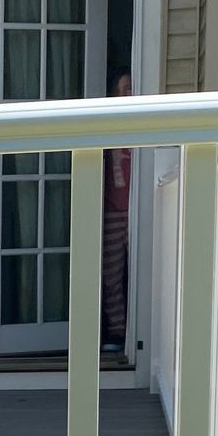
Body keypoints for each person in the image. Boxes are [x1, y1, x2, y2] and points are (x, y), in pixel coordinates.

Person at [100, 71, 132, 354]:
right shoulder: (107, 127)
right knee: (111, 274)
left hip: (138, 208)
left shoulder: (142, 127)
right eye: (121, 89)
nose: (125, 94)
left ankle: (138, 329)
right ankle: (118, 331)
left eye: (130, 88)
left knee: (141, 270)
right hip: (112, 209)